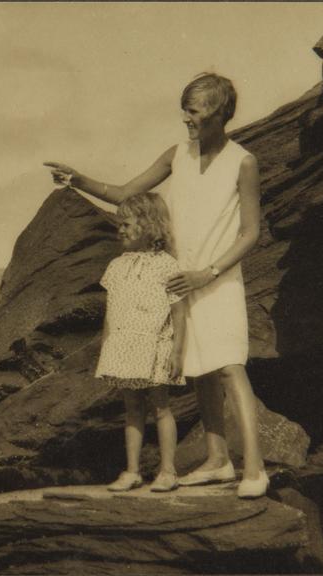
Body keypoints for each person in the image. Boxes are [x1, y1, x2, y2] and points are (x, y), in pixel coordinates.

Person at [44, 72, 268, 499]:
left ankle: (254, 469)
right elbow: (127, 192)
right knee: (198, 369)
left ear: (220, 112)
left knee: (229, 366)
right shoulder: (176, 154)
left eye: (195, 111)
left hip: (217, 279)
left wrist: (210, 272)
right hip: (175, 278)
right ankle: (218, 461)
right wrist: (79, 180)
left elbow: (251, 232)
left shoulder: (244, 161)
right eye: (184, 110)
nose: (186, 119)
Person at [96, 193, 187, 493]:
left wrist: (177, 350)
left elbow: (178, 311)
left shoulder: (167, 265)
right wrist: (108, 344)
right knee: (132, 407)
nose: (119, 230)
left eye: (126, 224)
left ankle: (168, 471)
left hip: (156, 344)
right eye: (118, 225)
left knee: (161, 406)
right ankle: (133, 471)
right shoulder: (116, 266)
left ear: (149, 225)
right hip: (123, 344)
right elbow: (112, 310)